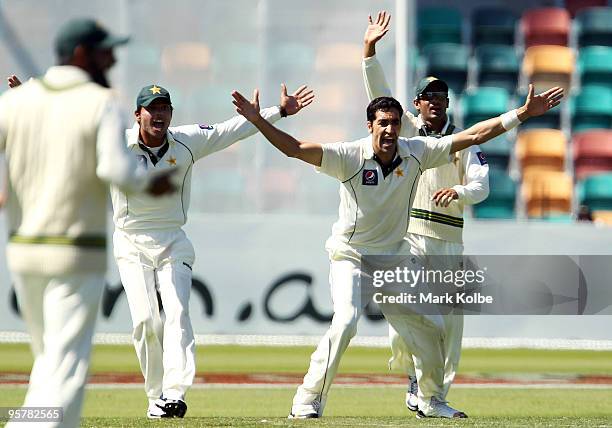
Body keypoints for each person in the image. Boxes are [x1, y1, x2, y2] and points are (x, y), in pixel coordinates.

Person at [231, 83, 562, 418]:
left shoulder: (416, 150)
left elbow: (473, 136)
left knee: (431, 326)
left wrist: (521, 114)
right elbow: (296, 148)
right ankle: (308, 399)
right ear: (370, 126)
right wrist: (260, 121)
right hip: (352, 256)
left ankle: (430, 400)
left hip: (394, 258)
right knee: (345, 322)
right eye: (383, 123)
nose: (390, 130)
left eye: (394, 122)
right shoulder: (350, 156)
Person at [0, 18, 173, 428]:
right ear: (81, 54)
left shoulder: (17, 101)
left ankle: (27, 420)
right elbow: (117, 170)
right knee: (68, 370)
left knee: (49, 363)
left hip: (24, 252)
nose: (112, 58)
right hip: (74, 254)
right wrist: (151, 182)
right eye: (104, 50)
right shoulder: (100, 101)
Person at [112, 83, 314, 419]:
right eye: (152, 108)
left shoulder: (186, 141)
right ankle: (155, 395)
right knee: (147, 321)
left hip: (172, 239)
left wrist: (277, 112)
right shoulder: (117, 144)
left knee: (177, 312)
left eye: (164, 107)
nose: (159, 114)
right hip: (130, 240)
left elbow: (229, 131)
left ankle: (174, 394)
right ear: (138, 115)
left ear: (171, 114)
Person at [362, 10, 490, 412]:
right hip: (413, 236)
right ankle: (415, 379)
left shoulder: (461, 141)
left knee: (450, 328)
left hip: (451, 241)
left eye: (442, 98)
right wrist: (369, 52)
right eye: (429, 98)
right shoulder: (410, 134)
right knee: (414, 317)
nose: (436, 103)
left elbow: (482, 186)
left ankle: (434, 397)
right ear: (416, 105)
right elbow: (378, 94)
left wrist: (460, 191)